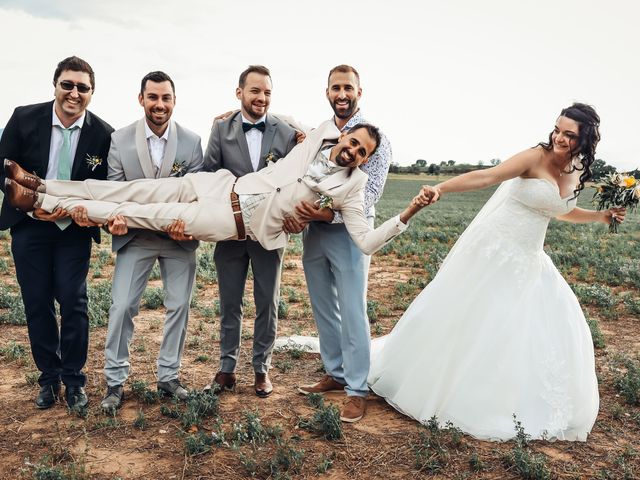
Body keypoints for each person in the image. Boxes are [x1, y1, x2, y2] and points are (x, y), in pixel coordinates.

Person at [367, 103, 625, 441]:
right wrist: (441, 188)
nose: (559, 138)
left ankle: (505, 397)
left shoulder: (578, 168)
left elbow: (559, 211)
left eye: (569, 134)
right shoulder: (534, 157)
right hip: (494, 252)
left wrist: (601, 217)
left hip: (529, 258)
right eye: (558, 129)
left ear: (586, 139)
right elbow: (487, 177)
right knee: (474, 318)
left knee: (526, 328)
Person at [5, 122, 420, 263]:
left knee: (137, 213)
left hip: (230, 221)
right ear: (344, 135)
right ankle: (41, 182)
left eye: (361, 152)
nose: (351, 151)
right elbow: (278, 117)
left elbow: (364, 242)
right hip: (219, 184)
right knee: (129, 188)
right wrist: (232, 114)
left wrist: (407, 214)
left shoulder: (353, 186)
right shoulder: (317, 138)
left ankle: (41, 203)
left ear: (364, 160)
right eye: (352, 142)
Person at [0, 56, 113, 409]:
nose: (74, 93)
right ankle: (48, 379)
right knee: (36, 303)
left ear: (91, 93)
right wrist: (28, 202)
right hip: (29, 226)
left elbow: (105, 187)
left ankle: (74, 380)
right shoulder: (23, 117)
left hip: (73, 229)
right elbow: (1, 167)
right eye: (68, 84)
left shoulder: (104, 134)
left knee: (74, 300)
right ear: (55, 85)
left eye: (83, 87)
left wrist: (89, 212)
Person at [89, 71, 203, 410]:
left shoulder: (192, 142)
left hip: (178, 239)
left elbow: (196, 195)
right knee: (122, 306)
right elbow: (114, 191)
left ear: (174, 101)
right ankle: (114, 382)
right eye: (153, 97)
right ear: (141, 99)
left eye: (166, 98)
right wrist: (115, 221)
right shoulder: (120, 140)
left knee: (179, 306)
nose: (159, 104)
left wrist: (188, 224)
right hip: (135, 238)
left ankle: (169, 376)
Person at [291, 65, 392, 424]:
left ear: (359, 92)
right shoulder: (319, 133)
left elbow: (368, 198)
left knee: (352, 308)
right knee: (322, 306)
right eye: (336, 88)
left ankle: (357, 389)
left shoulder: (374, 139)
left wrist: (326, 216)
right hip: (314, 233)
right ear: (328, 92)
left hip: (349, 232)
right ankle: (335, 371)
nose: (342, 94)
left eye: (348, 87)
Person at [202, 66, 297, 397]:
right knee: (229, 302)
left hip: (269, 233)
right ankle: (226, 369)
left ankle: (261, 369)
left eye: (268, 92)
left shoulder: (286, 132)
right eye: (255, 91)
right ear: (239, 92)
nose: (262, 98)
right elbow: (209, 173)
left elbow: (294, 180)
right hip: (230, 232)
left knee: (267, 302)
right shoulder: (220, 128)